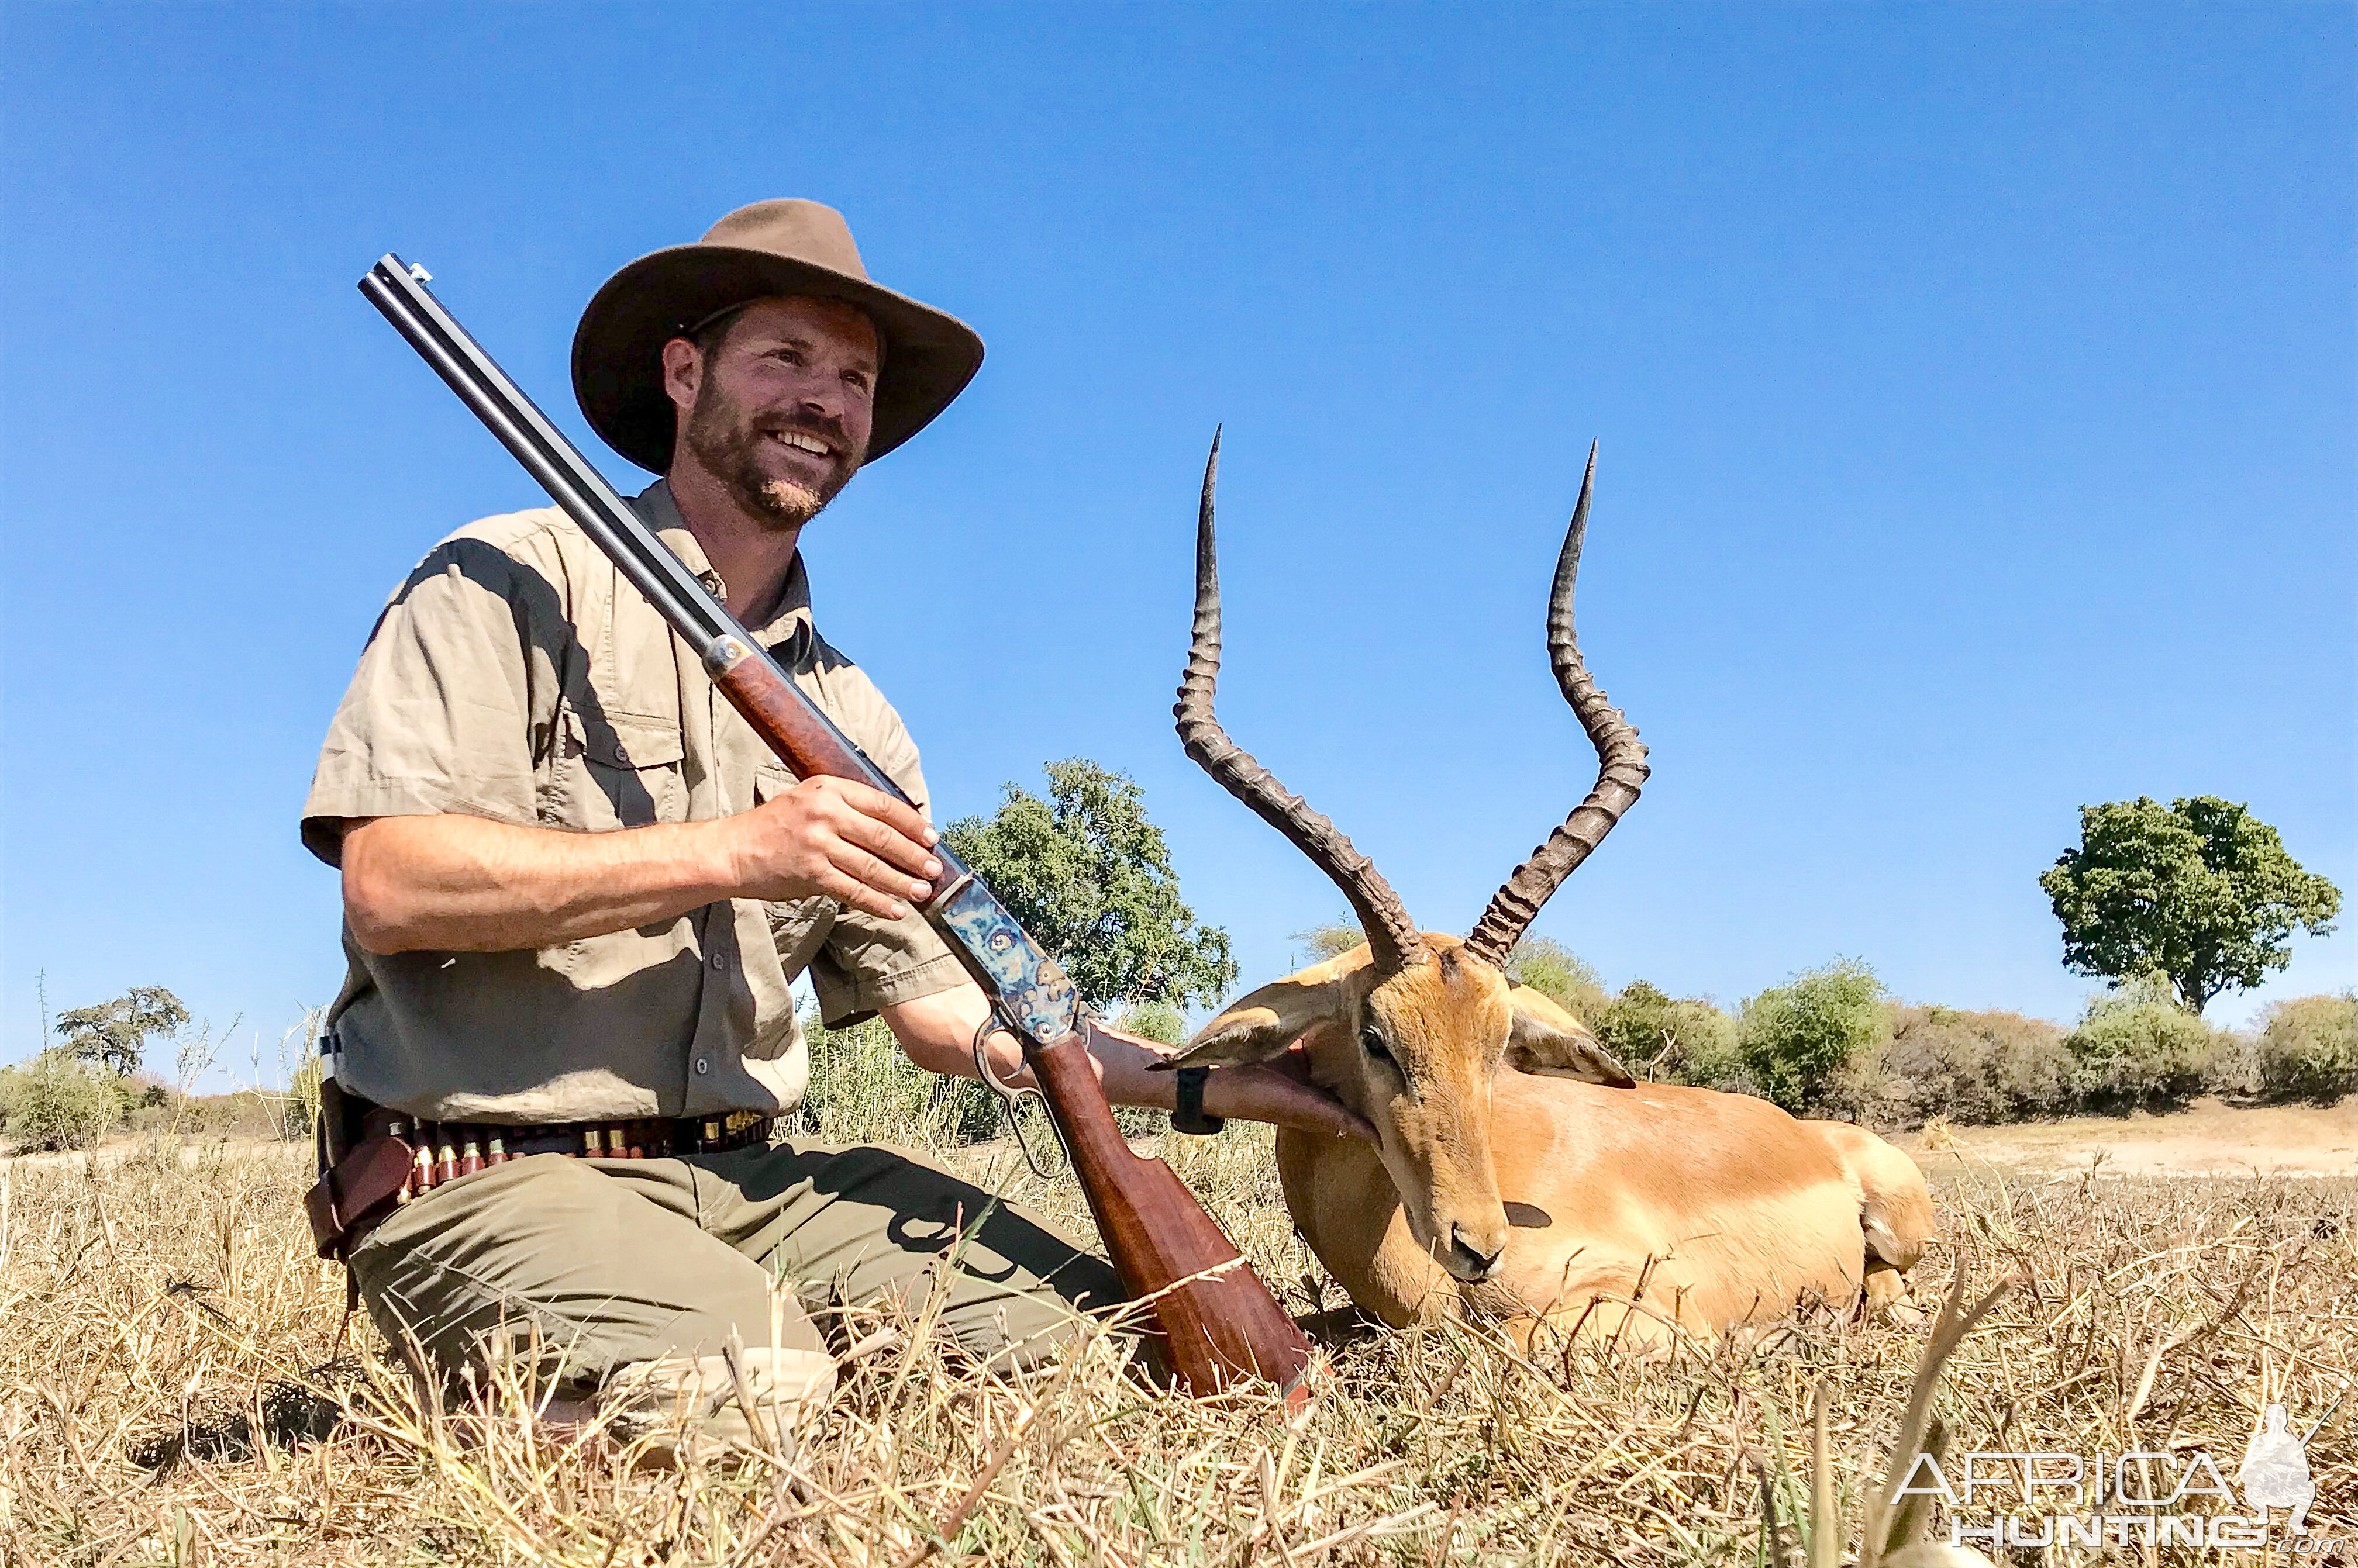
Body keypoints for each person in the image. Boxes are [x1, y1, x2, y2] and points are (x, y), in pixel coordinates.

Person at [302, 199, 1367, 1451]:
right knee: (753, 1400)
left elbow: (951, 1016)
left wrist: (1223, 1086)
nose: (826, 399)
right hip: (482, 1177)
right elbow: (392, 883)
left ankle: (714, 1344)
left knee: (1116, 1354)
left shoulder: (856, 716)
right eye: (788, 359)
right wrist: (737, 853)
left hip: (747, 1177)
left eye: (855, 378)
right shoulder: (505, 579)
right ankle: (467, 1414)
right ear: (684, 372)